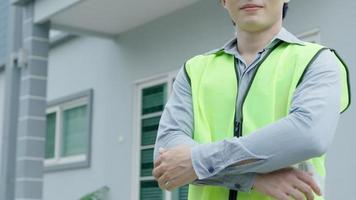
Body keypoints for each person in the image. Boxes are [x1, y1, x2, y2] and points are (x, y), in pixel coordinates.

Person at [152, 0, 351, 200]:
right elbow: (168, 159)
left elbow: (309, 135)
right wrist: (252, 179)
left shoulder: (317, 61)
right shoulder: (193, 71)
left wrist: (196, 161)